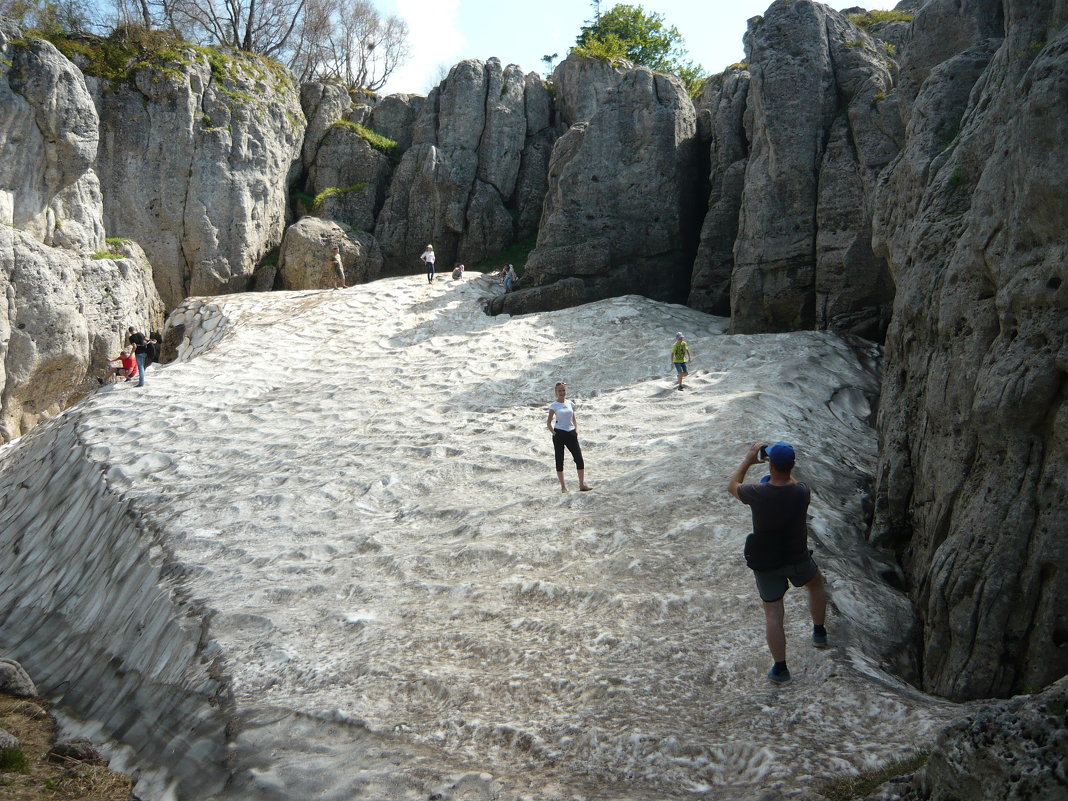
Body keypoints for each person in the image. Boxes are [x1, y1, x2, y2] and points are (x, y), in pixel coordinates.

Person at [728, 441, 828, 685]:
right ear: (792, 466)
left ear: (770, 464)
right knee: (816, 584)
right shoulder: (801, 492)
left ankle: (781, 669)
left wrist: (749, 459)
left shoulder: (757, 493)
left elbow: (732, 486)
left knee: (773, 612)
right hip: (797, 557)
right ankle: (819, 633)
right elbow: (791, 483)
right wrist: (782, 470)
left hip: (767, 562)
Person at [546, 382, 592, 493]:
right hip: (559, 433)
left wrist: (576, 430)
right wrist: (554, 433)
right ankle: (563, 487)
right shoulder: (554, 406)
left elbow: (574, 420)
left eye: (563, 390)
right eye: (559, 391)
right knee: (559, 460)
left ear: (566, 391)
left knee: (579, 459)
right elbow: (548, 422)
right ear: (556, 392)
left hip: (571, 433)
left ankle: (581, 484)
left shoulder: (570, 403)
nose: (562, 392)